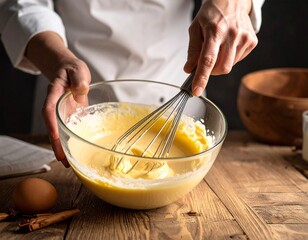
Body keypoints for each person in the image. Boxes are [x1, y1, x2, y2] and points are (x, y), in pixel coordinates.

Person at [0, 0, 264, 167]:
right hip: (76, 94)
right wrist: (60, 62)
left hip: (175, 88)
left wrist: (233, 3)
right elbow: (21, 4)